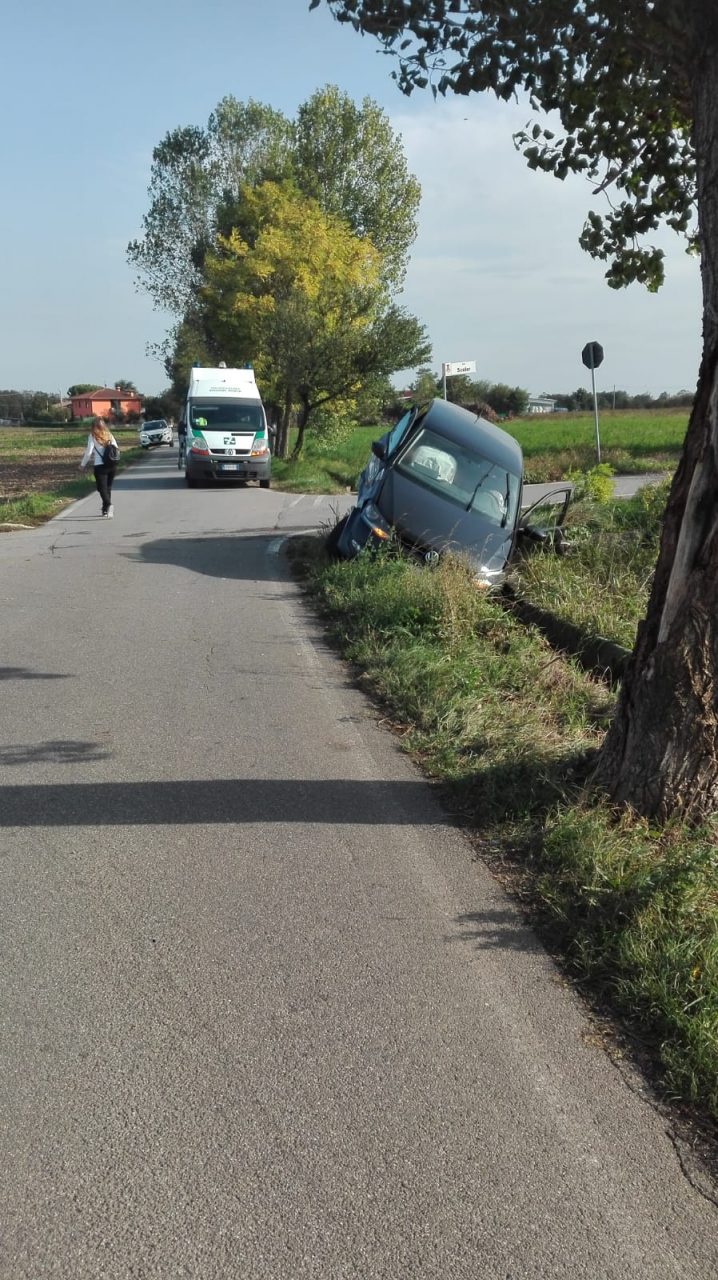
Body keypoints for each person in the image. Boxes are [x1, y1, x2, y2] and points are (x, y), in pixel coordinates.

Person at [79, 417, 119, 517]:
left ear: (93, 427)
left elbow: (88, 452)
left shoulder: (92, 436)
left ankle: (109, 505)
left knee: (102, 488)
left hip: (100, 466)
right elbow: (116, 448)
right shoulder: (109, 434)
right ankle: (105, 509)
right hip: (112, 465)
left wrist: (82, 465)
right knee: (107, 488)